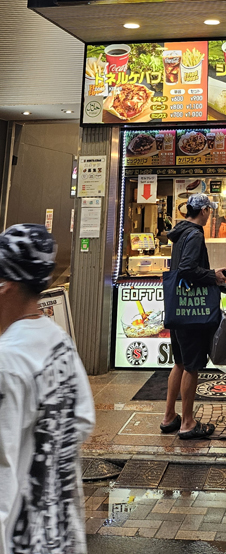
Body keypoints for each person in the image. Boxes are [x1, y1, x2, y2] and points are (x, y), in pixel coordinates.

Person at [0, 223, 95, 554]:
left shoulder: (8, 361)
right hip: (61, 535)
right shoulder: (58, 340)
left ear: (7, 285)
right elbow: (83, 419)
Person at [161, 193, 226, 440]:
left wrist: (213, 276)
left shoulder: (180, 233)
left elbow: (184, 269)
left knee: (179, 362)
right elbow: (187, 269)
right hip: (192, 311)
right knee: (191, 366)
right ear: (203, 211)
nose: (210, 214)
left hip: (178, 308)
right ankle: (187, 423)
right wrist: (213, 276)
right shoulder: (195, 234)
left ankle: (169, 417)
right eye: (209, 210)